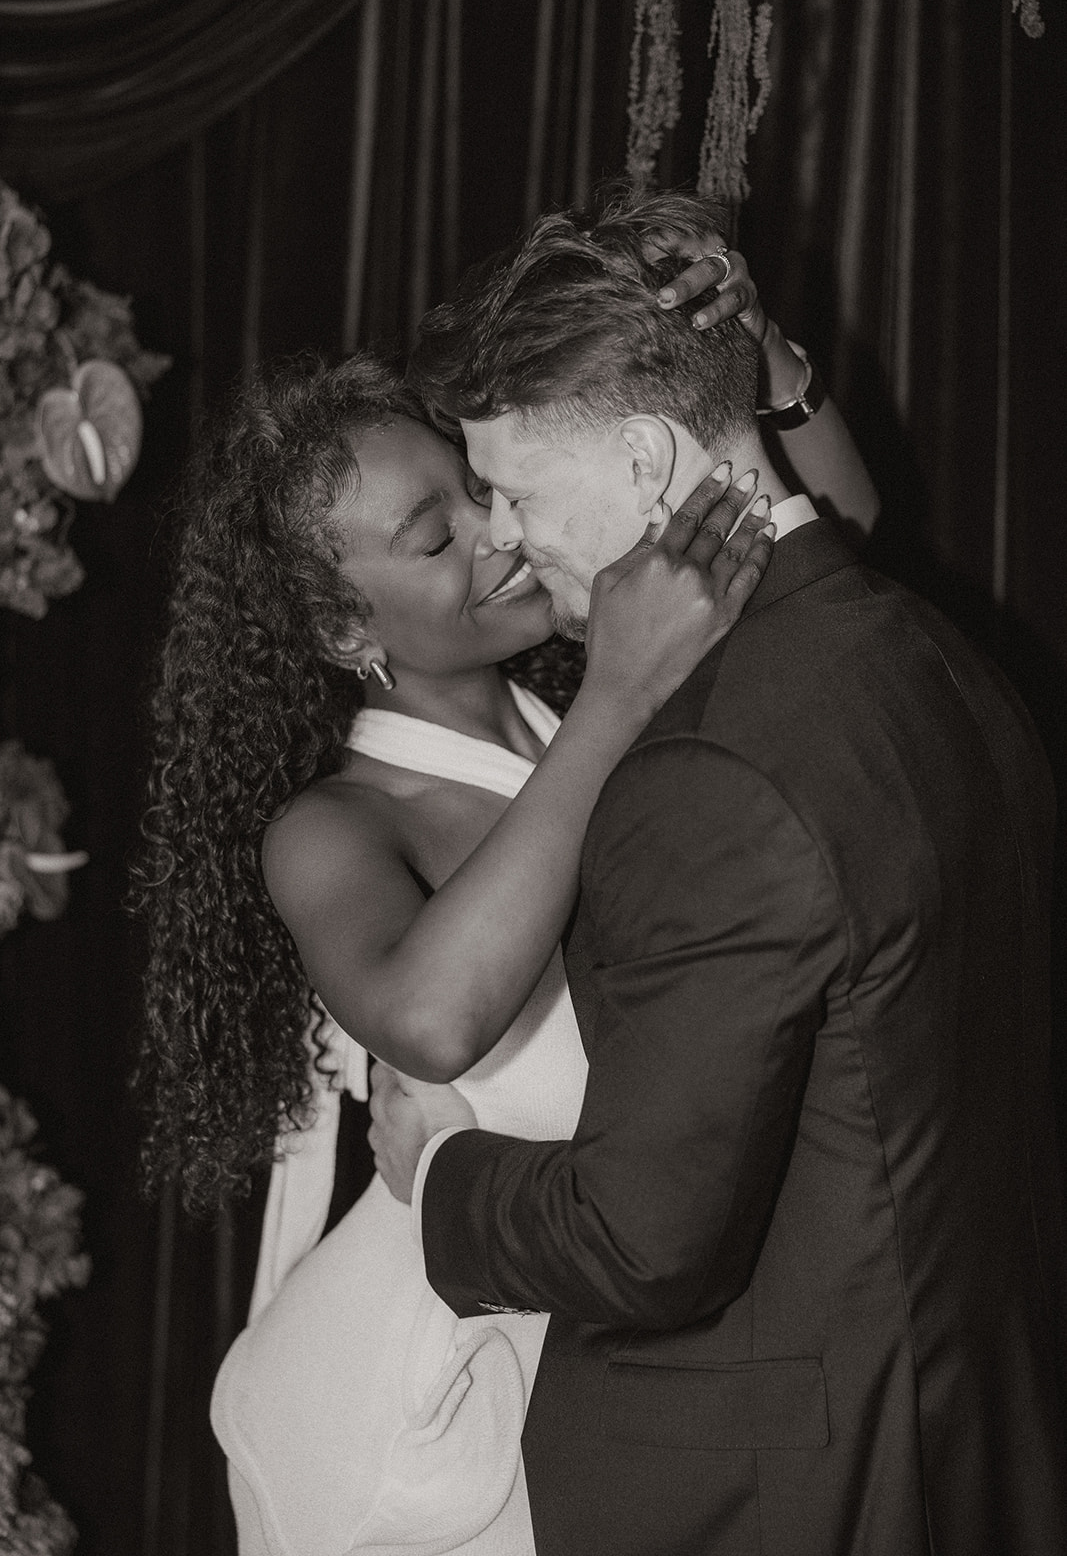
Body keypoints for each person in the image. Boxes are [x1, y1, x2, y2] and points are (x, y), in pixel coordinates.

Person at [134, 230, 879, 1556]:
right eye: (436, 538)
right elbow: (433, 1019)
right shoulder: (339, 825)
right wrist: (621, 693)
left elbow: (834, 539)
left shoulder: (597, 676)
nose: (499, 535)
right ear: (346, 631)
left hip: (612, 1370)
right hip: (420, 1426)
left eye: (482, 489)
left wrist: (764, 365)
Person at [369, 185, 1067, 1556]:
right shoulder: (942, 656)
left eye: (512, 491)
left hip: (792, 1494)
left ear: (646, 459)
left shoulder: (702, 775)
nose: (500, 536)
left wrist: (438, 1174)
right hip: (963, 1424)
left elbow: (644, 1244)